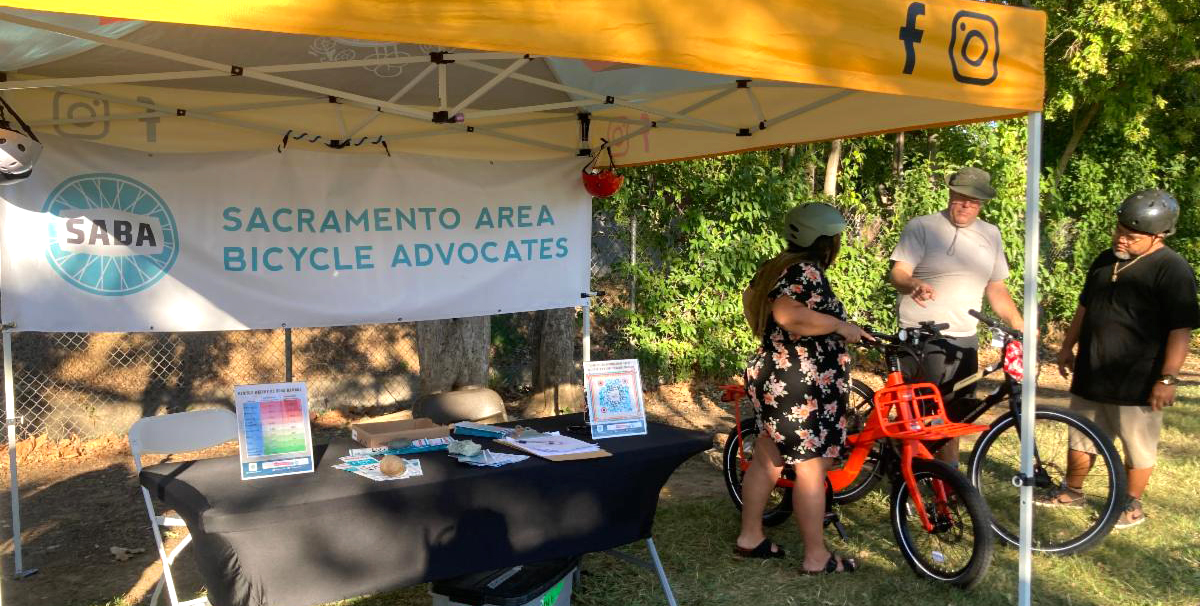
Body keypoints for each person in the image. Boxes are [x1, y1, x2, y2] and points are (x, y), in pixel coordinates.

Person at [735, 202, 872, 574]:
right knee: (811, 469)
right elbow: (787, 314)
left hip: (777, 376)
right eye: (837, 237)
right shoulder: (805, 270)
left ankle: (750, 537)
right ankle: (816, 557)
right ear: (823, 239)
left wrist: (839, 327)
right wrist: (840, 326)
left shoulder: (778, 266)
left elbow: (764, 309)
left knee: (767, 458)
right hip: (799, 387)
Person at [1048, 189, 1198, 529]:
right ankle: (1073, 490)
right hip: (1092, 372)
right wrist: (1067, 346)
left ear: (1157, 236)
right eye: (1118, 231)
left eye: (1130, 236)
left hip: (1139, 380)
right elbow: (1085, 306)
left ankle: (1130, 506)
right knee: (1080, 435)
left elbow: (1180, 329)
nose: (1121, 239)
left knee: (1137, 446)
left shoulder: (1172, 270)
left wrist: (1168, 379)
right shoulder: (1105, 260)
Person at [887, 166, 1023, 467]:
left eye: (973, 201)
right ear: (949, 194)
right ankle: (909, 473)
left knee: (954, 416)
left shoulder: (991, 234)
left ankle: (945, 480)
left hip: (964, 340)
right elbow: (898, 273)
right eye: (960, 197)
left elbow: (997, 288)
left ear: (983, 203)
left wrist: (1020, 326)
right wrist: (913, 285)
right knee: (921, 416)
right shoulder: (922, 227)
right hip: (923, 338)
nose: (965, 205)